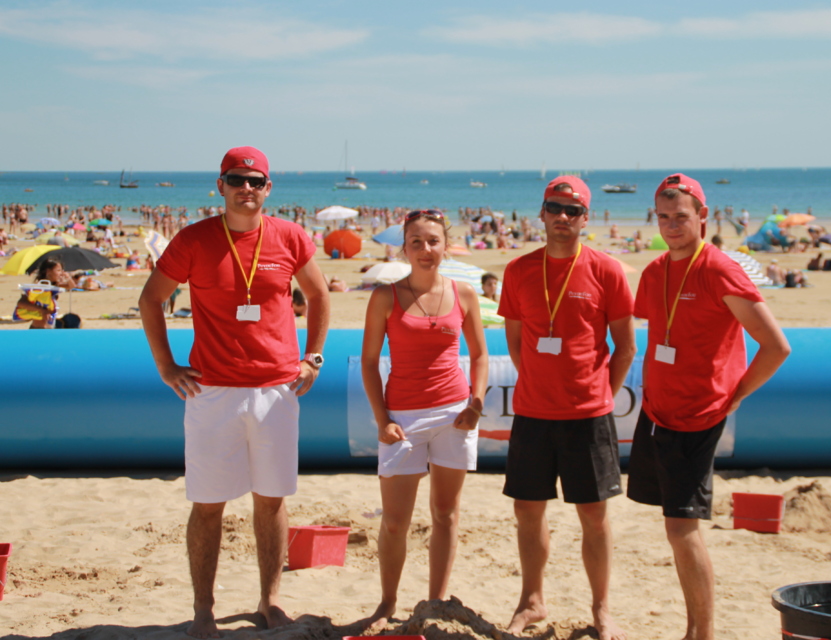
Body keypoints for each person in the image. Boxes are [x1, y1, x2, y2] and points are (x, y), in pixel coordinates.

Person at [139, 146, 331, 638]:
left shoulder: (289, 235)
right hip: (212, 391)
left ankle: (270, 601)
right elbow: (151, 299)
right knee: (208, 505)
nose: (247, 188)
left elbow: (319, 295)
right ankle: (203, 610)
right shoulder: (195, 239)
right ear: (220, 185)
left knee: (271, 500)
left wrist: (314, 358)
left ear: (269, 188)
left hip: (276, 389)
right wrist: (165, 366)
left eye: (256, 180)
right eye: (237, 179)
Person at [629, 173, 790, 640]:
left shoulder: (721, 269)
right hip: (657, 411)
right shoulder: (655, 271)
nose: (672, 225)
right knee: (672, 525)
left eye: (681, 216)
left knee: (683, 528)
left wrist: (735, 394)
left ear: (703, 215)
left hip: (697, 417)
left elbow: (776, 347)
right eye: (663, 217)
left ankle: (702, 633)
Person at [498, 176, 636, 640]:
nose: (562, 218)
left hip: (588, 416)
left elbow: (625, 347)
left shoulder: (607, 270)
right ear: (540, 212)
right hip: (534, 414)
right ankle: (531, 601)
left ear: (585, 218)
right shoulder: (518, 271)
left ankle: (601, 609)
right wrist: (539, 378)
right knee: (527, 511)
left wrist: (600, 393)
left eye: (572, 211)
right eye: (555, 208)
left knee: (594, 518)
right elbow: (515, 343)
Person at [360, 209, 488, 630]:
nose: (426, 249)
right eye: (416, 242)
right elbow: (368, 362)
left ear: (445, 245)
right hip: (403, 418)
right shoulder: (386, 296)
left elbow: (481, 355)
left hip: (455, 415)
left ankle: (435, 601)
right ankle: (386, 603)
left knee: (446, 514)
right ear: (405, 248)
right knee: (395, 523)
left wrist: (476, 401)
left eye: (433, 241)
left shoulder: (464, 293)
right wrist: (382, 420)